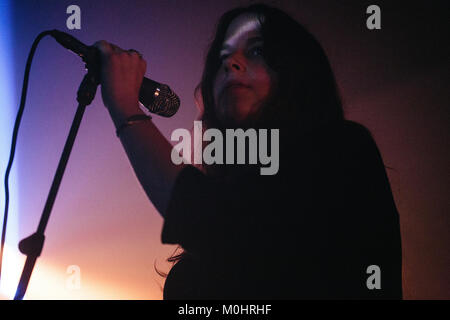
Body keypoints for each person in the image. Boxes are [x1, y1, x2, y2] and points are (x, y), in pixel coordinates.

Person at [94, 3, 403, 299]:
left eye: (257, 50)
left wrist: (125, 108)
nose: (231, 63)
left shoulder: (344, 149)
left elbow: (218, 224)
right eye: (222, 58)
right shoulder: (232, 187)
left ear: (297, 70)